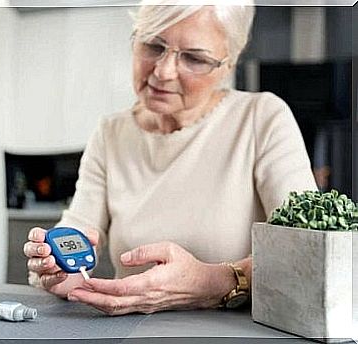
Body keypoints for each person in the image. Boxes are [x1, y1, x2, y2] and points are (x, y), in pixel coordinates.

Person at [23, 2, 317, 315]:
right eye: (152, 45)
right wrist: (54, 271)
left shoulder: (262, 118)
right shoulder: (111, 133)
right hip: (132, 333)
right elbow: (78, 236)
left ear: (228, 64)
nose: (163, 71)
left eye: (194, 58)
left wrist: (210, 283)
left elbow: (308, 252)